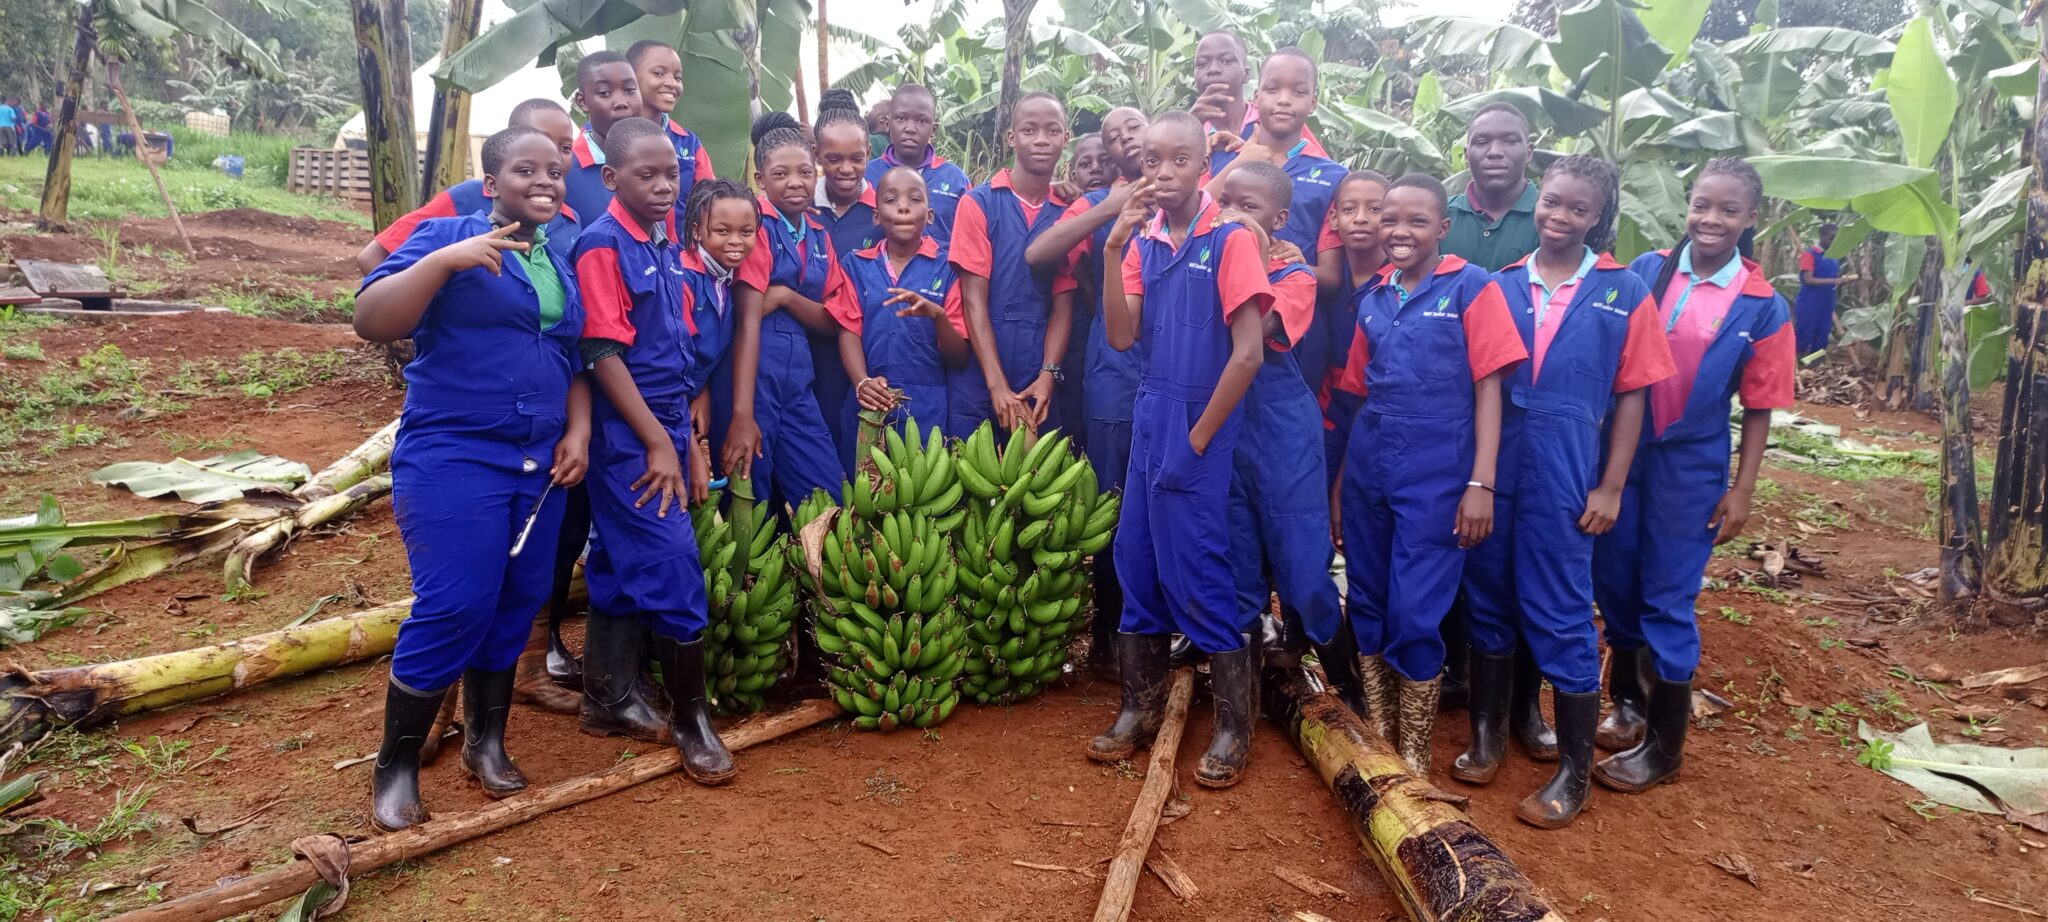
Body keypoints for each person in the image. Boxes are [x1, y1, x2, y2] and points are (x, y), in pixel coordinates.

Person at [353, 126, 589, 830]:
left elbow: (572, 353)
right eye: (526, 170)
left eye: (555, 170)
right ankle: (394, 767)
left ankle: (486, 745)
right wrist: (447, 262)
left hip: (539, 462)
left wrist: (577, 431)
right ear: (492, 185)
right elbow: (371, 318)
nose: (545, 180)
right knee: (455, 602)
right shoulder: (448, 234)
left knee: (516, 601)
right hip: (456, 450)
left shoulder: (563, 257)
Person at [1455, 156, 1675, 829]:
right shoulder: (1499, 283)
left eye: (1577, 209)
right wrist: (1480, 481)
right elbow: (1480, 388)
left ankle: (1574, 772)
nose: (1559, 217)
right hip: (1501, 452)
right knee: (1489, 591)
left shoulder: (1624, 291)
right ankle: (1489, 734)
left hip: (1568, 460)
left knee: (1559, 605)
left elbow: (1634, 395)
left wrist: (1610, 485)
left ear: (1597, 218)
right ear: (1536, 202)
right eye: (1551, 202)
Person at [1594, 157, 1794, 795]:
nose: (1711, 220)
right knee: (1615, 576)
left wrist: (1742, 490)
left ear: (1750, 218)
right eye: (1702, 205)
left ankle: (1664, 746)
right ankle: (1627, 701)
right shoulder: (1646, 273)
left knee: (1669, 594)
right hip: (1624, 453)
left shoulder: (1763, 304)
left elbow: (1758, 406)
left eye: (1728, 210)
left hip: (1692, 461)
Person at [1087, 111, 1273, 788]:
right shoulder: (1144, 243)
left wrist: (1196, 440)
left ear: (1203, 168)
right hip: (1150, 413)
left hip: (1201, 421)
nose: (1161, 174)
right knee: (1134, 556)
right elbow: (1119, 337)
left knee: (1197, 564)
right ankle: (1138, 706)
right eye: (1151, 162)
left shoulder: (1229, 242)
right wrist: (1112, 248)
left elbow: (1248, 355)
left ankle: (1233, 725)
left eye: (1177, 161)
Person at [1329, 173, 1526, 777]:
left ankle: (1413, 753)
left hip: (1440, 468)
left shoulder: (1472, 288)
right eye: (1390, 220)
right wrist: (1341, 487)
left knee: (1417, 611)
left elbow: (1489, 390)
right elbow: (1358, 395)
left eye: (1416, 221)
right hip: (1370, 462)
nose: (1399, 231)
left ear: (1443, 228)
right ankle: (1381, 734)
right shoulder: (1375, 298)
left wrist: (1481, 483)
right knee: (1367, 596)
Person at [571, 117, 735, 783]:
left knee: (613, 564)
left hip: (664, 425)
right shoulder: (603, 245)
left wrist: (688, 442)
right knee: (673, 567)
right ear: (612, 178)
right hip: (626, 437)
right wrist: (655, 445)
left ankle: (606, 696)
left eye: (672, 171)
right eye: (648, 174)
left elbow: (675, 351)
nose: (666, 183)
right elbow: (603, 352)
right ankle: (693, 721)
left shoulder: (665, 245)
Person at [1209, 161, 1351, 699]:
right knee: (1238, 557)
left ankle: (1346, 686)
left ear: (1282, 219)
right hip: (1229, 431)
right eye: (1226, 204)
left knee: (1302, 559)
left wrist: (1246, 264)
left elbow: (1260, 328)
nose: (1234, 216)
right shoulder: (1205, 263)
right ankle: (1240, 702)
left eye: (1251, 208)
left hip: (1283, 432)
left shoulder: (1295, 276)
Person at [1024, 105, 1150, 672]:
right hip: (1113, 356)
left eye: (1132, 130)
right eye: (1109, 136)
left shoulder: (1187, 185)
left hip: (1176, 349)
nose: (1122, 142)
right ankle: (1112, 631)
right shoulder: (1101, 200)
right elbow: (1038, 253)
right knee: (1112, 491)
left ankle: (1172, 628)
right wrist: (1111, 205)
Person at [725, 112, 848, 512]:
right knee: (749, 497)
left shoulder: (818, 236)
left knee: (826, 492)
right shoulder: (753, 226)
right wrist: (742, 414)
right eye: (781, 174)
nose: (795, 182)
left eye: (805, 172)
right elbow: (746, 318)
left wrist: (784, 298)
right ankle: (746, 575)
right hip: (750, 376)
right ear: (760, 179)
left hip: (798, 381)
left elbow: (835, 318)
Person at [1209, 47, 1347, 393]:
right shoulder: (1219, 157)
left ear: (1313, 102)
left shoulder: (1333, 178)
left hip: (1290, 342)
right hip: (1213, 323)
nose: (1284, 100)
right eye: (1273, 90)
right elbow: (1187, 225)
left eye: (1298, 92)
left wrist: (1292, 264)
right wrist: (1237, 162)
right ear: (1256, 97)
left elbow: (1331, 277)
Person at [948, 91, 1074, 436]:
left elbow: (1063, 305)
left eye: (1052, 130)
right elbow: (973, 301)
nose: (1041, 140)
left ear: (1066, 137)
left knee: (1038, 479)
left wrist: (1048, 374)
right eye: (1029, 130)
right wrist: (996, 386)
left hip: (1038, 369)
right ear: (1012, 137)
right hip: (980, 369)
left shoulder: (1068, 216)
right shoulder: (979, 204)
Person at [356, 99, 584, 275]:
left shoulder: (571, 220)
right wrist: (423, 322)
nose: (554, 154)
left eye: (565, 147)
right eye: (538, 139)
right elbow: (374, 257)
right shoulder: (467, 197)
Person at [828, 165, 971, 434]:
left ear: (929, 216)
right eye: (891, 200)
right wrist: (861, 382)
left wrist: (938, 317)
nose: (903, 207)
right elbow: (848, 330)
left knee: (923, 473)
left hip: (927, 408)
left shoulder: (948, 269)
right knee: (861, 476)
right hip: (868, 402)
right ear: (876, 216)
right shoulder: (856, 265)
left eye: (914, 199)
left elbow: (959, 357)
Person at [679, 178, 759, 507]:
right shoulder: (682, 278)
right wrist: (689, 445)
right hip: (661, 411)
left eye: (746, 231)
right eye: (722, 231)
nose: (736, 242)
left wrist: (704, 391)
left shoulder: (723, 281)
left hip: (688, 401)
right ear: (698, 230)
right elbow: (666, 364)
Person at [813, 89, 877, 470]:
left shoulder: (882, 209)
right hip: (813, 347)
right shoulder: (801, 206)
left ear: (869, 153)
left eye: (857, 158)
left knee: (860, 443)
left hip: (863, 344)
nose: (846, 169)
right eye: (833, 159)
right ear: (817, 154)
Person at [1315, 171, 1389, 496]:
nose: (1361, 219)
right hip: (1328, 406)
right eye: (1349, 210)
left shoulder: (1399, 280)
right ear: (1333, 218)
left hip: (1377, 409)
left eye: (1374, 210)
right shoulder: (1327, 275)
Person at [864, 84, 974, 245]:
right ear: (888, 123)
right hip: (880, 269)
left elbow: (969, 240)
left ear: (934, 129)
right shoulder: (867, 176)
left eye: (921, 121)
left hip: (942, 270)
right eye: (901, 119)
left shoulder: (955, 180)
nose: (910, 129)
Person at [1190, 32, 1328, 158]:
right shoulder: (1190, 131)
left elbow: (1320, 170)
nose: (1213, 69)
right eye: (1202, 64)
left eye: (1226, 61)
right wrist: (1188, 124)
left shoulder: (1279, 117)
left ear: (1247, 74)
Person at [1446, 103, 1540, 272]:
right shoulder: (1440, 215)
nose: (1494, 152)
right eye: (1481, 142)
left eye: (1510, 141)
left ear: (1529, 153)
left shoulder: (1552, 219)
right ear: (1466, 155)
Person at [564, 51, 644, 225]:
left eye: (630, 90)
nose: (621, 102)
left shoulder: (659, 162)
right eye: (605, 93)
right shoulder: (564, 170)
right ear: (582, 101)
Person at [1794, 222, 1846, 357]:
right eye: (1831, 238)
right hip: (1810, 301)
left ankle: (1813, 365)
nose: (1833, 242)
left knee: (1822, 334)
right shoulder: (1810, 255)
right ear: (1822, 236)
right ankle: (1796, 364)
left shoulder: (1834, 257)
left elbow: (1832, 279)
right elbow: (1808, 279)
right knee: (1804, 331)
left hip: (1827, 301)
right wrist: (1834, 281)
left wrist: (1842, 281)